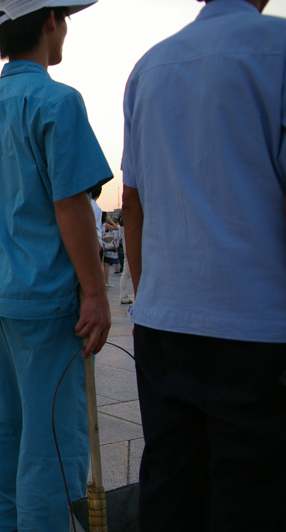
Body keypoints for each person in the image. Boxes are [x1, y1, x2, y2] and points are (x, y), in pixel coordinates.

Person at [121, 1, 286, 530]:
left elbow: (132, 204)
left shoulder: (149, 67)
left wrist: (148, 296)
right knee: (253, 495)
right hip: (256, 325)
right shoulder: (275, 47)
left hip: (164, 324)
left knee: (172, 486)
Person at [0, 1, 112, 530]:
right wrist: (94, 292)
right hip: (43, 294)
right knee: (51, 438)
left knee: (0, 429)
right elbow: (71, 203)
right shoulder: (57, 99)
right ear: (50, 20)